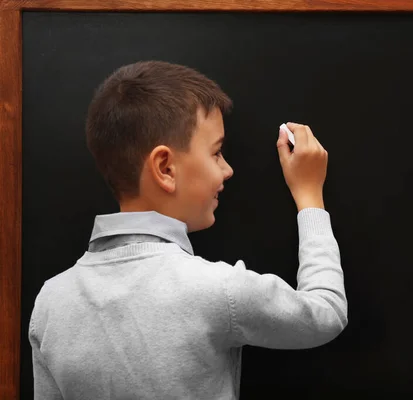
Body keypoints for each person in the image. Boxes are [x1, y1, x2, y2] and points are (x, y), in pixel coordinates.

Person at [28, 60, 348, 399]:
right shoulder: (219, 290)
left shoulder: (51, 303)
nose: (227, 170)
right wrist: (310, 195)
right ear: (165, 167)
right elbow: (326, 311)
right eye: (217, 152)